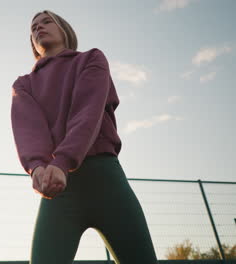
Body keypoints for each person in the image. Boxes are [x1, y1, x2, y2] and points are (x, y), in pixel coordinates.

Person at [10, 10, 159, 264]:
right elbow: (28, 130)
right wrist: (36, 168)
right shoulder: (24, 85)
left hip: (105, 179)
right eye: (33, 28)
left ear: (64, 29)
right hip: (58, 190)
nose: (38, 28)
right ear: (32, 44)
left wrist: (62, 162)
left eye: (46, 22)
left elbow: (87, 112)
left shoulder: (92, 59)